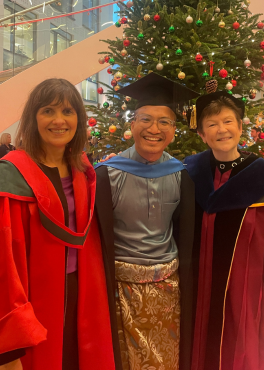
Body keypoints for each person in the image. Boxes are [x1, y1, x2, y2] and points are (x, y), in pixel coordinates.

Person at [0, 78, 114, 370]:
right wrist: (8, 351)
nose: (59, 121)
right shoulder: (10, 176)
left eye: (68, 112)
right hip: (30, 306)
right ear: (34, 118)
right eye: (48, 111)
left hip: (79, 299)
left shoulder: (82, 171)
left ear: (79, 120)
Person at [184, 91, 264, 370]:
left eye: (228, 121)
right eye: (212, 123)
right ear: (202, 134)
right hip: (196, 289)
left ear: (241, 127)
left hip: (247, 294)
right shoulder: (189, 173)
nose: (221, 129)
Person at [94, 73, 198, 370]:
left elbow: (186, 237)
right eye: (146, 120)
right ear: (132, 126)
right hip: (121, 293)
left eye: (164, 121)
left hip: (168, 291)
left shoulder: (181, 175)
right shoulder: (107, 175)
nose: (155, 129)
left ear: (174, 130)